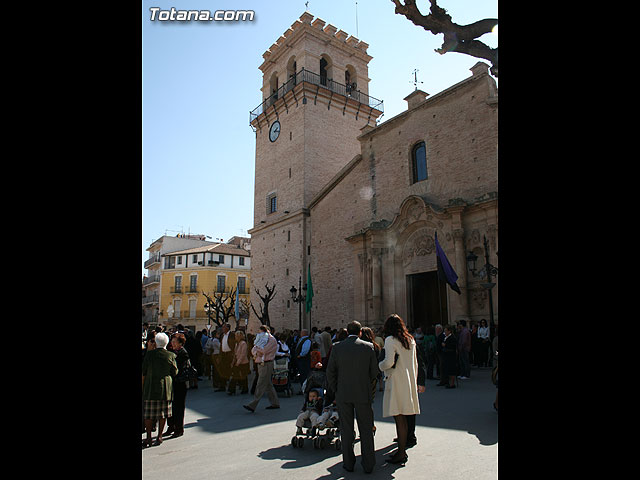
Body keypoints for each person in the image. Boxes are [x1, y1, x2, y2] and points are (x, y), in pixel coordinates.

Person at [326, 320, 379, 474]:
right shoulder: (368, 347)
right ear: (360, 332)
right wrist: (366, 385)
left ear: (347, 332)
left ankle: (348, 463)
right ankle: (368, 464)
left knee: (346, 430)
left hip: (343, 394)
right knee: (366, 430)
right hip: (363, 393)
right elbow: (374, 372)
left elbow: (330, 372)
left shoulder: (337, 348)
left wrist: (336, 389)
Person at [378, 314, 420, 465]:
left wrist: (380, 366)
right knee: (403, 416)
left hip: (396, 381)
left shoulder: (390, 340)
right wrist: (414, 381)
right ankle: (402, 449)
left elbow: (388, 362)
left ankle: (401, 453)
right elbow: (415, 363)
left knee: (399, 417)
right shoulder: (411, 339)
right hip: (408, 381)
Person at [142, 332, 178, 448]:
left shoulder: (149, 355)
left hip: (150, 387)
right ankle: (159, 436)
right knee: (162, 413)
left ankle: (148, 437)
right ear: (167, 343)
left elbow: (144, 371)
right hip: (165, 388)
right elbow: (175, 371)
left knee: (149, 414)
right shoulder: (170, 355)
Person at [243, 326, 280, 412]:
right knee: (268, 384)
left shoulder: (271, 340)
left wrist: (257, 351)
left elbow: (264, 351)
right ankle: (275, 403)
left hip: (266, 363)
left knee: (260, 384)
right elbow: (253, 349)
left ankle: (253, 404)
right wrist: (257, 351)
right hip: (260, 363)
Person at [228, 330, 250, 395]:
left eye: (237, 336)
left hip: (243, 362)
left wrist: (238, 362)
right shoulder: (237, 344)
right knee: (235, 376)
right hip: (237, 362)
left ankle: (245, 389)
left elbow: (243, 354)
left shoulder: (243, 343)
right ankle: (232, 390)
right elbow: (235, 354)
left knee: (243, 376)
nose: (235, 337)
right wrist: (233, 362)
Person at [218, 323, 235, 392]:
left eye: (224, 327)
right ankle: (222, 386)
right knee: (222, 370)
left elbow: (233, 345)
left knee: (229, 370)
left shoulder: (231, 335)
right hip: (223, 355)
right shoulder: (222, 335)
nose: (222, 329)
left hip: (229, 354)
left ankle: (230, 386)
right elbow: (221, 345)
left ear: (227, 328)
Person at [295, 329, 312, 393]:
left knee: (304, 374)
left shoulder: (307, 340)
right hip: (301, 360)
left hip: (304, 360)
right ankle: (303, 388)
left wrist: (301, 355)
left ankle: (305, 388)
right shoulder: (302, 339)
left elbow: (305, 349)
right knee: (302, 374)